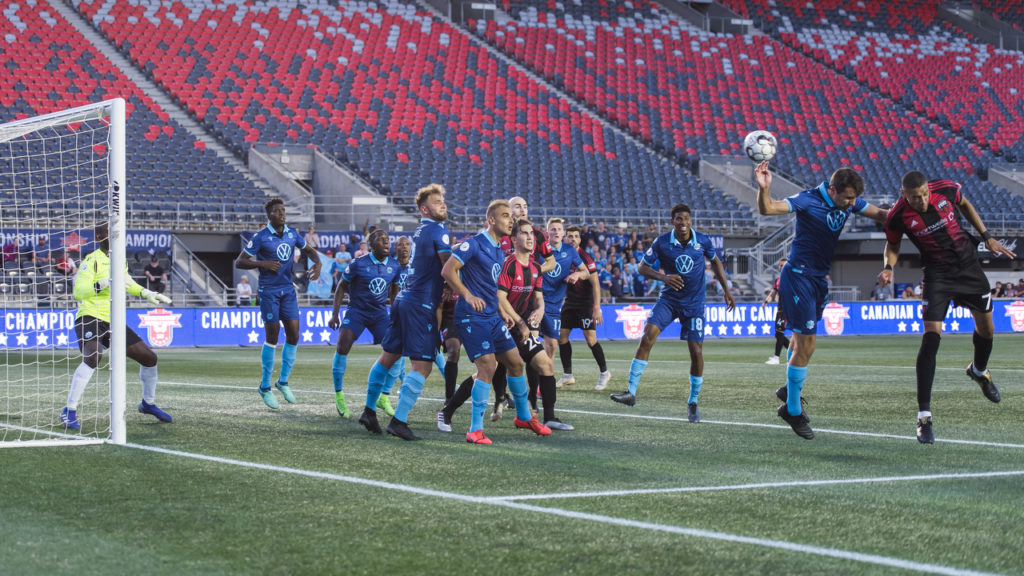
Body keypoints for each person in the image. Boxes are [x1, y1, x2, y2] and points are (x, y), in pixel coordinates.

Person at [878, 171, 1015, 444]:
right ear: (905, 195)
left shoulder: (947, 189)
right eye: (916, 198)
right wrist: (888, 267)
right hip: (937, 275)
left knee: (987, 331)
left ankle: (978, 371)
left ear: (929, 188)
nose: (923, 201)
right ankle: (924, 417)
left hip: (969, 268)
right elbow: (891, 245)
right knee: (931, 337)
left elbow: (965, 204)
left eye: (925, 194)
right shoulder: (897, 215)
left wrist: (985, 235)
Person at [755, 162, 887, 439]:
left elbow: (882, 215)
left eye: (854, 199)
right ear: (833, 190)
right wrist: (764, 189)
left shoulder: (849, 201)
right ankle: (791, 409)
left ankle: (789, 392)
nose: (852, 204)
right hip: (798, 276)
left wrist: (912, 215)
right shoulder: (808, 200)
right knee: (808, 344)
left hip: (817, 279)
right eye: (848, 198)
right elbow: (768, 208)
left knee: (798, 342)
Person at [609, 203, 735, 422]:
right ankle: (630, 392)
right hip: (668, 299)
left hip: (694, 304)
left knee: (696, 351)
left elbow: (716, 263)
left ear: (690, 221)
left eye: (686, 218)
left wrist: (726, 290)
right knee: (647, 336)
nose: (683, 222)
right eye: (678, 219)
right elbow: (641, 268)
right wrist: (664, 277)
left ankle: (693, 401)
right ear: (672, 221)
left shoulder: (702, 241)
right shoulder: (662, 242)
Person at [440, 202, 551, 444]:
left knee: (516, 363)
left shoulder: (501, 251)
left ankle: (523, 417)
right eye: (505, 216)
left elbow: (493, 290)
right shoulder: (474, 243)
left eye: (511, 217)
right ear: (490, 220)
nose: (510, 221)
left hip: (492, 316)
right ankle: (475, 430)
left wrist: (504, 312)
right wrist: (467, 295)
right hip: (471, 316)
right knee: (488, 367)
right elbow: (448, 270)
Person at [60, 221, 173, 430]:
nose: (111, 237)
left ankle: (147, 404)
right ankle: (69, 409)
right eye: (106, 233)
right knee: (93, 356)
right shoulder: (91, 261)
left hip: (113, 320)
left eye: (113, 233)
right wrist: (100, 284)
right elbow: (79, 292)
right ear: (98, 237)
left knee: (149, 358)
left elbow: (127, 282)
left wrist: (147, 293)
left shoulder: (120, 260)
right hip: (90, 316)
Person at [359, 184, 451, 440]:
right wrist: (466, 292)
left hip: (403, 300)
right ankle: (398, 421)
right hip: (419, 304)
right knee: (422, 365)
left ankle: (368, 410)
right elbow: (449, 268)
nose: (443, 204)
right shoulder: (437, 229)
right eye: (436, 201)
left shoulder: (421, 230)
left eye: (443, 200)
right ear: (424, 208)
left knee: (388, 357)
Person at [236, 197, 322, 409]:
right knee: (272, 337)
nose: (282, 213)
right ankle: (265, 386)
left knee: (294, 335)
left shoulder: (293, 233)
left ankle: (282, 381)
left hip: (288, 290)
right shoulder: (261, 237)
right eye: (278, 211)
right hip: (269, 292)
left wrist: (318, 263)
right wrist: (262, 263)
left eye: (284, 210)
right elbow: (240, 261)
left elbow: (309, 250)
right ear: (269, 215)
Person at [328, 230, 402, 419]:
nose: (387, 242)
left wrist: (396, 316)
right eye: (382, 240)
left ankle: (383, 396)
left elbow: (394, 292)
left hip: (379, 314)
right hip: (357, 311)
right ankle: (339, 394)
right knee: (342, 346)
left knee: (396, 350)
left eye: (388, 240)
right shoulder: (358, 264)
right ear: (371, 245)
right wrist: (335, 314)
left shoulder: (394, 266)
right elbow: (341, 286)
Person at [556, 225, 610, 390]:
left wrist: (597, 308)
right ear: (565, 238)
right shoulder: (562, 254)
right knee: (562, 337)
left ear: (580, 239)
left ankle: (604, 372)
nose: (572, 239)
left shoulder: (585, 258)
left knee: (591, 340)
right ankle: (567, 375)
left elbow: (595, 284)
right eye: (570, 236)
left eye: (576, 236)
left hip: (585, 304)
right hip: (569, 303)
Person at [538, 218, 590, 387]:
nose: (556, 232)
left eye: (558, 229)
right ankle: (536, 385)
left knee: (552, 345)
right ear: (547, 233)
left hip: (555, 305)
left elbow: (586, 272)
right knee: (529, 345)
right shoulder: (539, 250)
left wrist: (576, 275)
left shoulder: (570, 250)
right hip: (537, 303)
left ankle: (543, 383)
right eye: (552, 229)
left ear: (562, 233)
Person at [762, 258, 790, 365]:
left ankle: (776, 358)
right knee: (778, 333)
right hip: (780, 309)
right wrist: (766, 302)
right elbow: (774, 292)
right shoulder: (778, 280)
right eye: (779, 265)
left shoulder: (791, 279)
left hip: (787, 310)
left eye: (783, 265)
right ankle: (792, 352)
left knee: (779, 333)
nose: (780, 267)